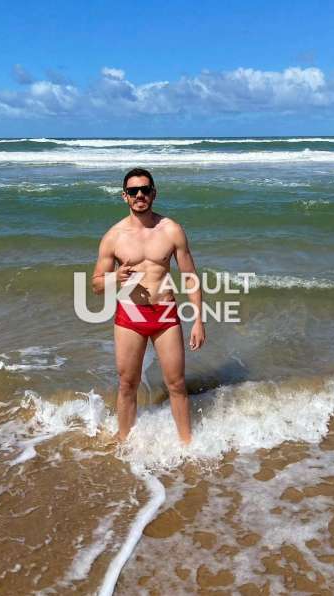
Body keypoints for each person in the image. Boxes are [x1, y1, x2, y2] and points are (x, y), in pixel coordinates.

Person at [92, 168, 205, 444]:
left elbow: (190, 276)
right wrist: (115, 277)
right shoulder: (114, 236)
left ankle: (187, 444)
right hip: (130, 315)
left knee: (176, 383)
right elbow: (96, 285)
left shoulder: (171, 230)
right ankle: (124, 443)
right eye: (133, 191)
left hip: (165, 313)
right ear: (125, 196)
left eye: (144, 190)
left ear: (154, 193)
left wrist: (198, 320)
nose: (139, 195)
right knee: (127, 384)